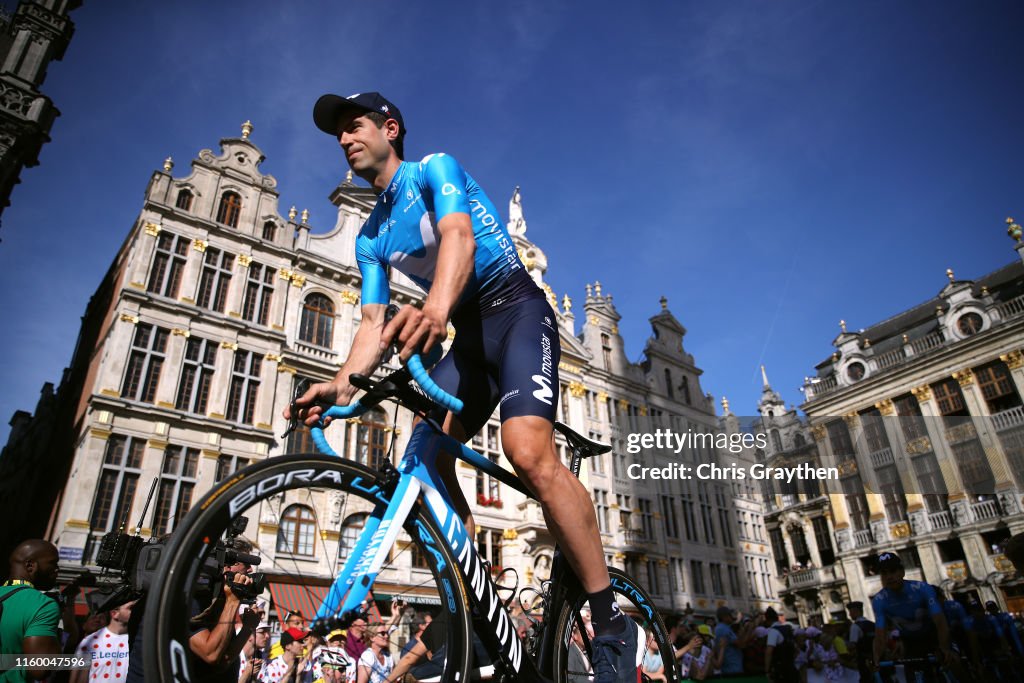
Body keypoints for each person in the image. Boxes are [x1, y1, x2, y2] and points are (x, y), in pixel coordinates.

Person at [290, 90, 639, 682]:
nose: (345, 140)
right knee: (420, 457)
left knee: (527, 452)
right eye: (339, 134)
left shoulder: (435, 170)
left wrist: (434, 307)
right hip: (469, 337)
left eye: (354, 127)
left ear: (389, 128)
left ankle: (609, 618)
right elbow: (371, 325)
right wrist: (342, 385)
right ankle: (478, 599)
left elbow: (459, 238)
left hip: (518, 312)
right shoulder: (370, 236)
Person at [870, 552, 950, 681]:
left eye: (893, 571)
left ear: (902, 572)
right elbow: (880, 635)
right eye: (884, 573)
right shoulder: (879, 600)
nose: (889, 577)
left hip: (933, 635)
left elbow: (940, 623)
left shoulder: (922, 588)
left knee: (953, 662)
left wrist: (944, 648)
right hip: (910, 641)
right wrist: (876, 659)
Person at [0, 539, 62, 683]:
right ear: (30, 566)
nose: (57, 569)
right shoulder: (43, 605)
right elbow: (40, 669)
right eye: (53, 563)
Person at [71, 600, 134, 683]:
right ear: (115, 614)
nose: (135, 611)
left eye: (102, 618)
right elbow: (78, 679)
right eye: (130, 608)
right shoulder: (89, 642)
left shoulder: (136, 639)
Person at [712, 606, 757, 676]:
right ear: (724, 617)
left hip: (731, 666)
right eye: (730, 615)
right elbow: (741, 644)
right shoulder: (723, 629)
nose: (732, 617)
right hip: (732, 668)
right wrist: (749, 630)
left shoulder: (723, 627)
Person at [845, 601, 874, 682]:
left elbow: (852, 645)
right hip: (878, 658)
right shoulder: (872, 624)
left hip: (864, 660)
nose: (849, 615)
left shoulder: (855, 626)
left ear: (856, 611)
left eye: (850, 612)